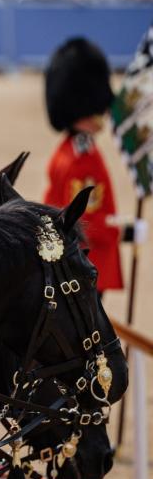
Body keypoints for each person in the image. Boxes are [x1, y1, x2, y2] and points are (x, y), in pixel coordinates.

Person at [43, 37, 145, 293]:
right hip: (85, 263)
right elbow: (82, 222)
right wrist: (124, 232)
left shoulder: (73, 151)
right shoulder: (79, 162)